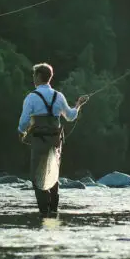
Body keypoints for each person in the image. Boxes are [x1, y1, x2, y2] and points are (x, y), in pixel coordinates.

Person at [17, 62, 88, 218]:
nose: (33, 78)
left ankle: (44, 213)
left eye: (34, 75)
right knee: (53, 173)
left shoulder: (31, 97)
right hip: (55, 141)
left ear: (38, 76)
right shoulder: (59, 96)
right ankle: (54, 212)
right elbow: (70, 117)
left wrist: (21, 133)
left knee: (37, 176)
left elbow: (23, 122)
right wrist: (78, 104)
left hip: (38, 141)